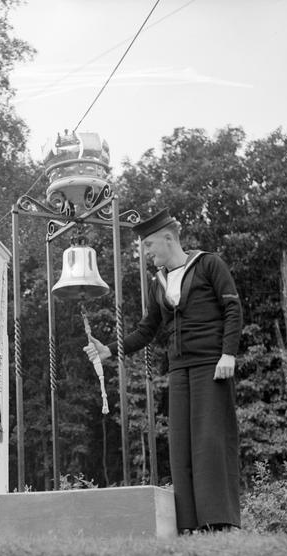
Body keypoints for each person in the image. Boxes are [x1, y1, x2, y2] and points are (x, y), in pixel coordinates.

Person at [84, 208, 243, 534]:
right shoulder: (159, 283)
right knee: (181, 445)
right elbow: (147, 330)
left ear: (169, 238)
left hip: (212, 366)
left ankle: (219, 522)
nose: (146, 252)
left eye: (149, 245)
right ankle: (188, 524)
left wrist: (228, 353)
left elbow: (232, 308)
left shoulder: (209, 264)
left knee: (210, 442)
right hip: (179, 369)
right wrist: (110, 350)